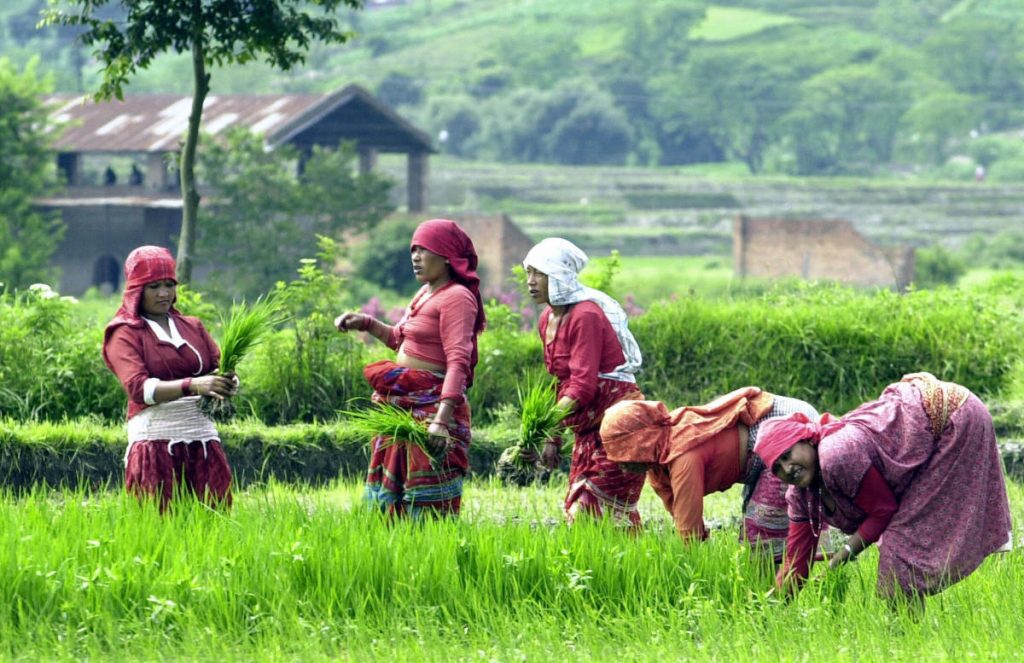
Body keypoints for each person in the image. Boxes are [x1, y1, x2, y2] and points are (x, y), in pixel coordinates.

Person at [755, 372, 1013, 602]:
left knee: (900, 546)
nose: (788, 468)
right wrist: (771, 607)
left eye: (788, 455)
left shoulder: (836, 454)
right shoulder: (802, 497)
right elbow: (797, 559)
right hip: (930, 421)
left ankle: (902, 632)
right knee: (899, 549)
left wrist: (841, 558)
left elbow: (883, 510)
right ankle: (905, 628)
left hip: (951, 418)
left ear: (807, 440)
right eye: (777, 468)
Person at [335, 219, 485, 517]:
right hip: (403, 406)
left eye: (424, 250)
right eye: (413, 250)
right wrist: (366, 323)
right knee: (395, 495)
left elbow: (458, 361)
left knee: (425, 497)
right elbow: (400, 340)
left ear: (447, 256)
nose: (415, 257)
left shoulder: (457, 298)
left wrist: (441, 421)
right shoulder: (424, 293)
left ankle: (430, 542)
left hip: (431, 407)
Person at [600, 387, 823, 561]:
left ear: (642, 442)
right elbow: (678, 513)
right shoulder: (658, 462)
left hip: (782, 427)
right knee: (759, 526)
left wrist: (691, 566)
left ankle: (776, 590)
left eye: (624, 455)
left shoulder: (682, 454)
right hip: (763, 445)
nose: (622, 466)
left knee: (762, 528)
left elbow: (689, 529)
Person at [102, 246, 237, 511]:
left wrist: (228, 382)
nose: (163, 293)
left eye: (169, 285)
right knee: (159, 520)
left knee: (214, 517)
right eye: (153, 287)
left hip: (203, 442)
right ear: (136, 290)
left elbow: (217, 368)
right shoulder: (124, 333)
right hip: (155, 444)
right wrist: (193, 385)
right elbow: (138, 388)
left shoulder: (192, 326)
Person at [522, 237, 645, 527]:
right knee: (584, 511)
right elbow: (560, 381)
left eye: (540, 273)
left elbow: (582, 386)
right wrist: (551, 436)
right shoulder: (546, 319)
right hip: (587, 429)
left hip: (618, 425)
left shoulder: (585, 315)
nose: (530, 281)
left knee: (596, 509)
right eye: (529, 272)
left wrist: (544, 426)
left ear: (560, 275)